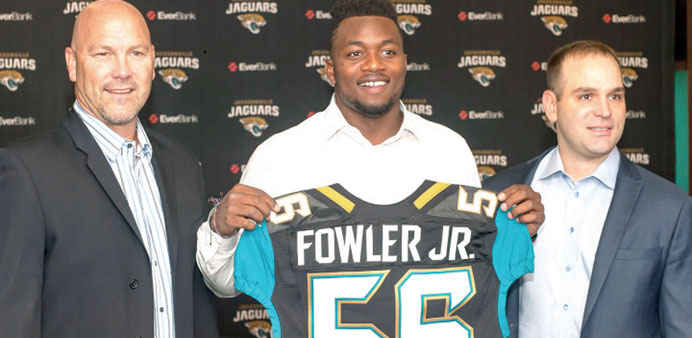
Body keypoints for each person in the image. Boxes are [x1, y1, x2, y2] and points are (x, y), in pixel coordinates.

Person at [197, 0, 542, 306]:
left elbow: (474, 272)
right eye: (355, 53)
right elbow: (226, 284)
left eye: (388, 52)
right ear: (331, 70)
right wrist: (220, 230)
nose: (374, 65)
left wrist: (518, 231)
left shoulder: (449, 150)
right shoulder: (280, 155)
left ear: (405, 63)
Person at [0, 1, 217, 337]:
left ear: (153, 61)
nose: (122, 71)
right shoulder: (26, 172)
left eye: (136, 53)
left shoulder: (184, 165)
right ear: (72, 64)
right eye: (103, 54)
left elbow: (198, 304)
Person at [483, 40, 692, 338]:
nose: (605, 111)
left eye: (615, 96)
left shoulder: (670, 208)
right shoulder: (497, 195)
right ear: (551, 106)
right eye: (586, 96)